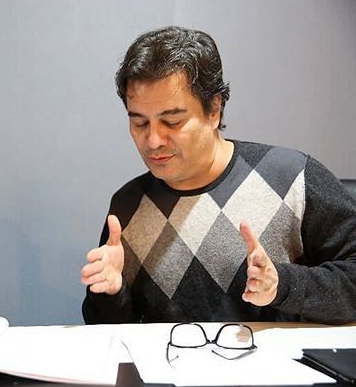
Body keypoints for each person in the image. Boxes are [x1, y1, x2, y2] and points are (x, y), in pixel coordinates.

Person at [80, 26, 356, 324]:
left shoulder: (292, 179)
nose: (153, 140)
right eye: (139, 123)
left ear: (214, 110)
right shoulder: (128, 205)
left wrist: (282, 285)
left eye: (172, 122)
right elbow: (107, 331)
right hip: (171, 357)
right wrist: (111, 294)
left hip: (272, 357)